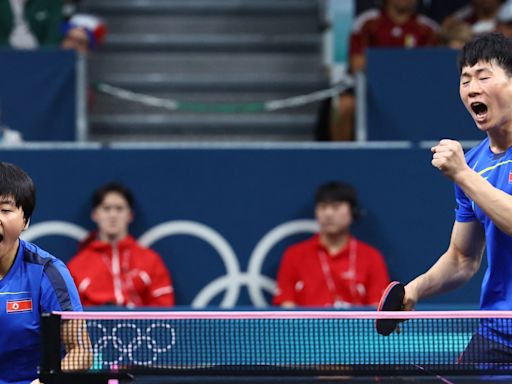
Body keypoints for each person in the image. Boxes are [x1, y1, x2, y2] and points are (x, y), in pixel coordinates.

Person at [402, 33, 512, 363]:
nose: (471, 88)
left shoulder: (466, 171)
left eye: (483, 76)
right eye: (465, 80)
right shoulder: (475, 162)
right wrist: (415, 289)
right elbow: (463, 258)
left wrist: (463, 176)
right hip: (498, 330)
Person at [0, 161, 91, 384]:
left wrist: (43, 382)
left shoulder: (48, 273)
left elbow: (81, 352)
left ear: (26, 221)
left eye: (5, 210)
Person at [329, 0, 438, 141]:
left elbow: (433, 68)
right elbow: (357, 65)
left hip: (414, 92)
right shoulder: (367, 23)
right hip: (369, 92)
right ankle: (341, 158)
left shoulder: (428, 28)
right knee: (343, 107)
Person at [273, 181, 390, 308]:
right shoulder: (294, 255)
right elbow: (286, 304)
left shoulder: (372, 257)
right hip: (307, 327)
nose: (328, 214)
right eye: (322, 207)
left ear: (352, 212)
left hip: (356, 328)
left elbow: (377, 307)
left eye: (336, 207)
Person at [67, 182, 175, 307]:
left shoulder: (151, 261)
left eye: (119, 208)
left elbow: (163, 310)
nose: (113, 215)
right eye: (106, 208)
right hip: (92, 327)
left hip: (140, 326)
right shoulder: (76, 266)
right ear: (95, 215)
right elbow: (70, 315)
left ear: (130, 215)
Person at [0, 0, 64, 49]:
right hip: (5, 55)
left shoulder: (52, 3)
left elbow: (54, 33)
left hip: (40, 55)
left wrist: (45, 57)